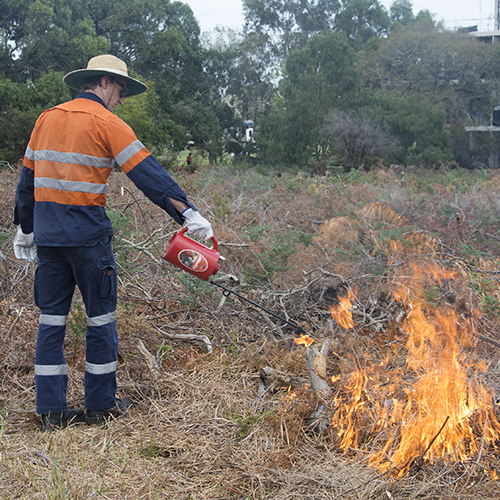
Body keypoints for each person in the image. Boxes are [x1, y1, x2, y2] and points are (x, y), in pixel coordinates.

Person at [13, 54, 213, 431]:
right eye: (121, 90)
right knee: (101, 321)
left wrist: (25, 226)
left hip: (50, 242)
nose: (121, 100)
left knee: (50, 322)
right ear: (104, 82)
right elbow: (147, 173)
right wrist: (187, 213)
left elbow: (26, 179)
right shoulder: (107, 122)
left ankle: (51, 412)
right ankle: (101, 406)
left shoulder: (46, 118)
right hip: (89, 242)